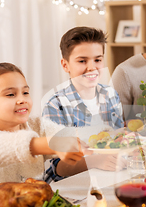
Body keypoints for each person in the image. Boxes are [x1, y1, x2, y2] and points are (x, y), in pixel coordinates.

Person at [0, 63, 85, 200]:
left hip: (28, 206)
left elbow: (67, 134)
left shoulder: (36, 125)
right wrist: (51, 144)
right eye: (11, 94)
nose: (22, 100)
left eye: (25, 92)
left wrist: (100, 137)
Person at [42, 27, 124, 172]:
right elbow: (55, 168)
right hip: (75, 186)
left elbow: (117, 139)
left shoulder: (110, 94)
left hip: (111, 175)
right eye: (82, 61)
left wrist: (126, 139)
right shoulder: (56, 105)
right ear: (65, 65)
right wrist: (95, 161)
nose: (92, 68)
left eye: (97, 60)